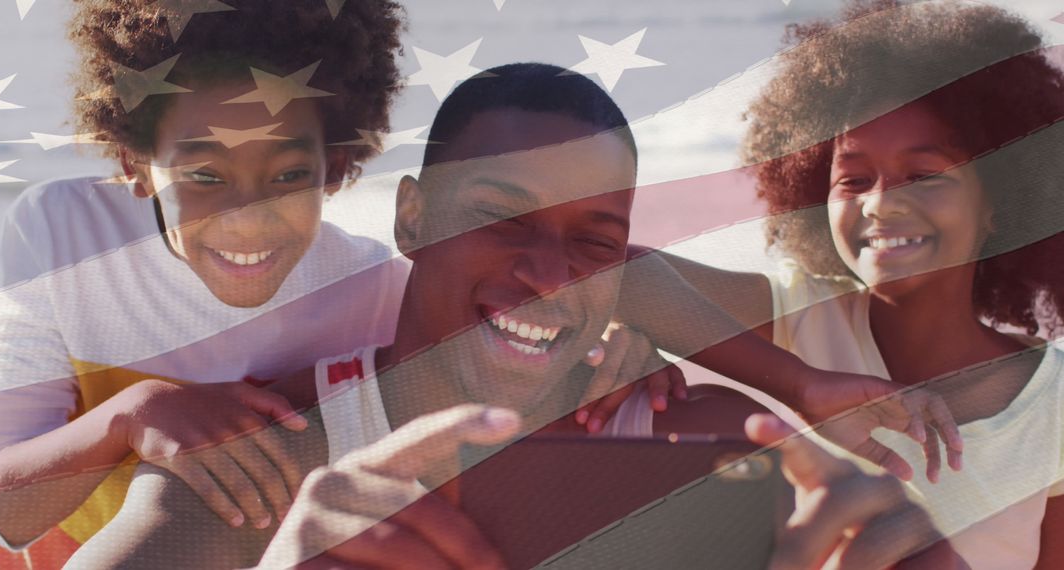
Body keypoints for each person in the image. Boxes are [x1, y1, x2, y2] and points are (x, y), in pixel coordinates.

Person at [66, 63, 961, 569]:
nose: (546, 279)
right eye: (501, 222)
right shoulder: (267, 465)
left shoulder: (712, 455)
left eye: (594, 243)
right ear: (411, 217)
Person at [624, 1, 1064, 567]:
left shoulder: (1053, 404)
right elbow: (618, 277)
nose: (880, 204)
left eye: (924, 176)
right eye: (854, 179)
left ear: (1000, 201)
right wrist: (802, 385)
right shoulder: (807, 310)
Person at [0, 2, 411, 568]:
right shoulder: (64, 234)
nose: (249, 218)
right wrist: (134, 414)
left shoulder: (378, 290)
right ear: (134, 162)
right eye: (204, 176)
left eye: (288, 175)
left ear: (334, 168)